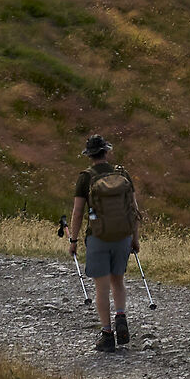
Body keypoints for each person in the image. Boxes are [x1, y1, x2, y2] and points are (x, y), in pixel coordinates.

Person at [68, 135, 142, 353]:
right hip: (122, 236)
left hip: (98, 237)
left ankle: (107, 334)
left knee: (101, 288)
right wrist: (135, 238)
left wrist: (73, 240)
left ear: (89, 156)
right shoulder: (122, 174)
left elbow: (78, 212)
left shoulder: (85, 178)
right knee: (117, 280)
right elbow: (134, 209)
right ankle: (121, 316)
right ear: (107, 152)